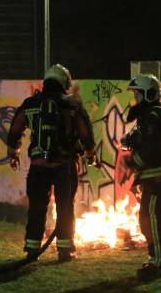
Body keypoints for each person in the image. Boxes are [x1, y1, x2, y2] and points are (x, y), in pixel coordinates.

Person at [7, 64, 96, 263]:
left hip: (38, 166)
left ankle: (32, 249)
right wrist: (90, 155)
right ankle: (65, 251)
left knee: (37, 207)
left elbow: (15, 130)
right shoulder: (72, 104)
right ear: (64, 83)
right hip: (64, 165)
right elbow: (86, 135)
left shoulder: (30, 103)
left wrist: (13, 152)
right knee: (65, 208)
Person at [121, 74, 161, 280]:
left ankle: (157, 262)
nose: (134, 100)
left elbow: (151, 149)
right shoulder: (156, 115)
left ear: (148, 95)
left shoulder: (152, 117)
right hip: (159, 174)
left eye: (137, 95)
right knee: (157, 216)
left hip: (159, 175)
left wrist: (132, 161)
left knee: (152, 216)